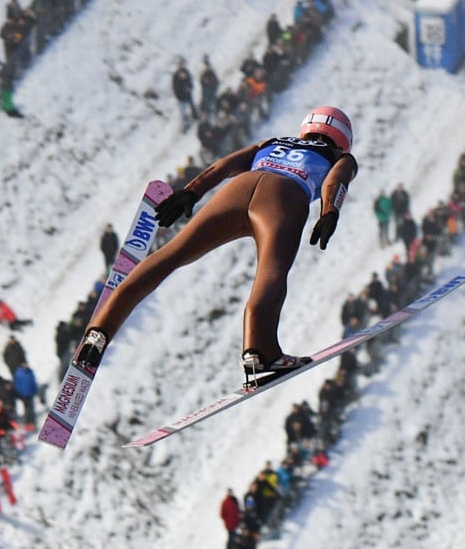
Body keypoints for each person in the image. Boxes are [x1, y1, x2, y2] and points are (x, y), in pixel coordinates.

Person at [74, 106, 358, 382]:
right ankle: (260, 353)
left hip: (238, 188)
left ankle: (99, 328)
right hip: (286, 196)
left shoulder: (272, 142)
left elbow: (226, 165)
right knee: (271, 273)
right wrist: (329, 211)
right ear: (342, 139)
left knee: (172, 254)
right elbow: (336, 179)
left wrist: (191, 191)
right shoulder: (338, 157)